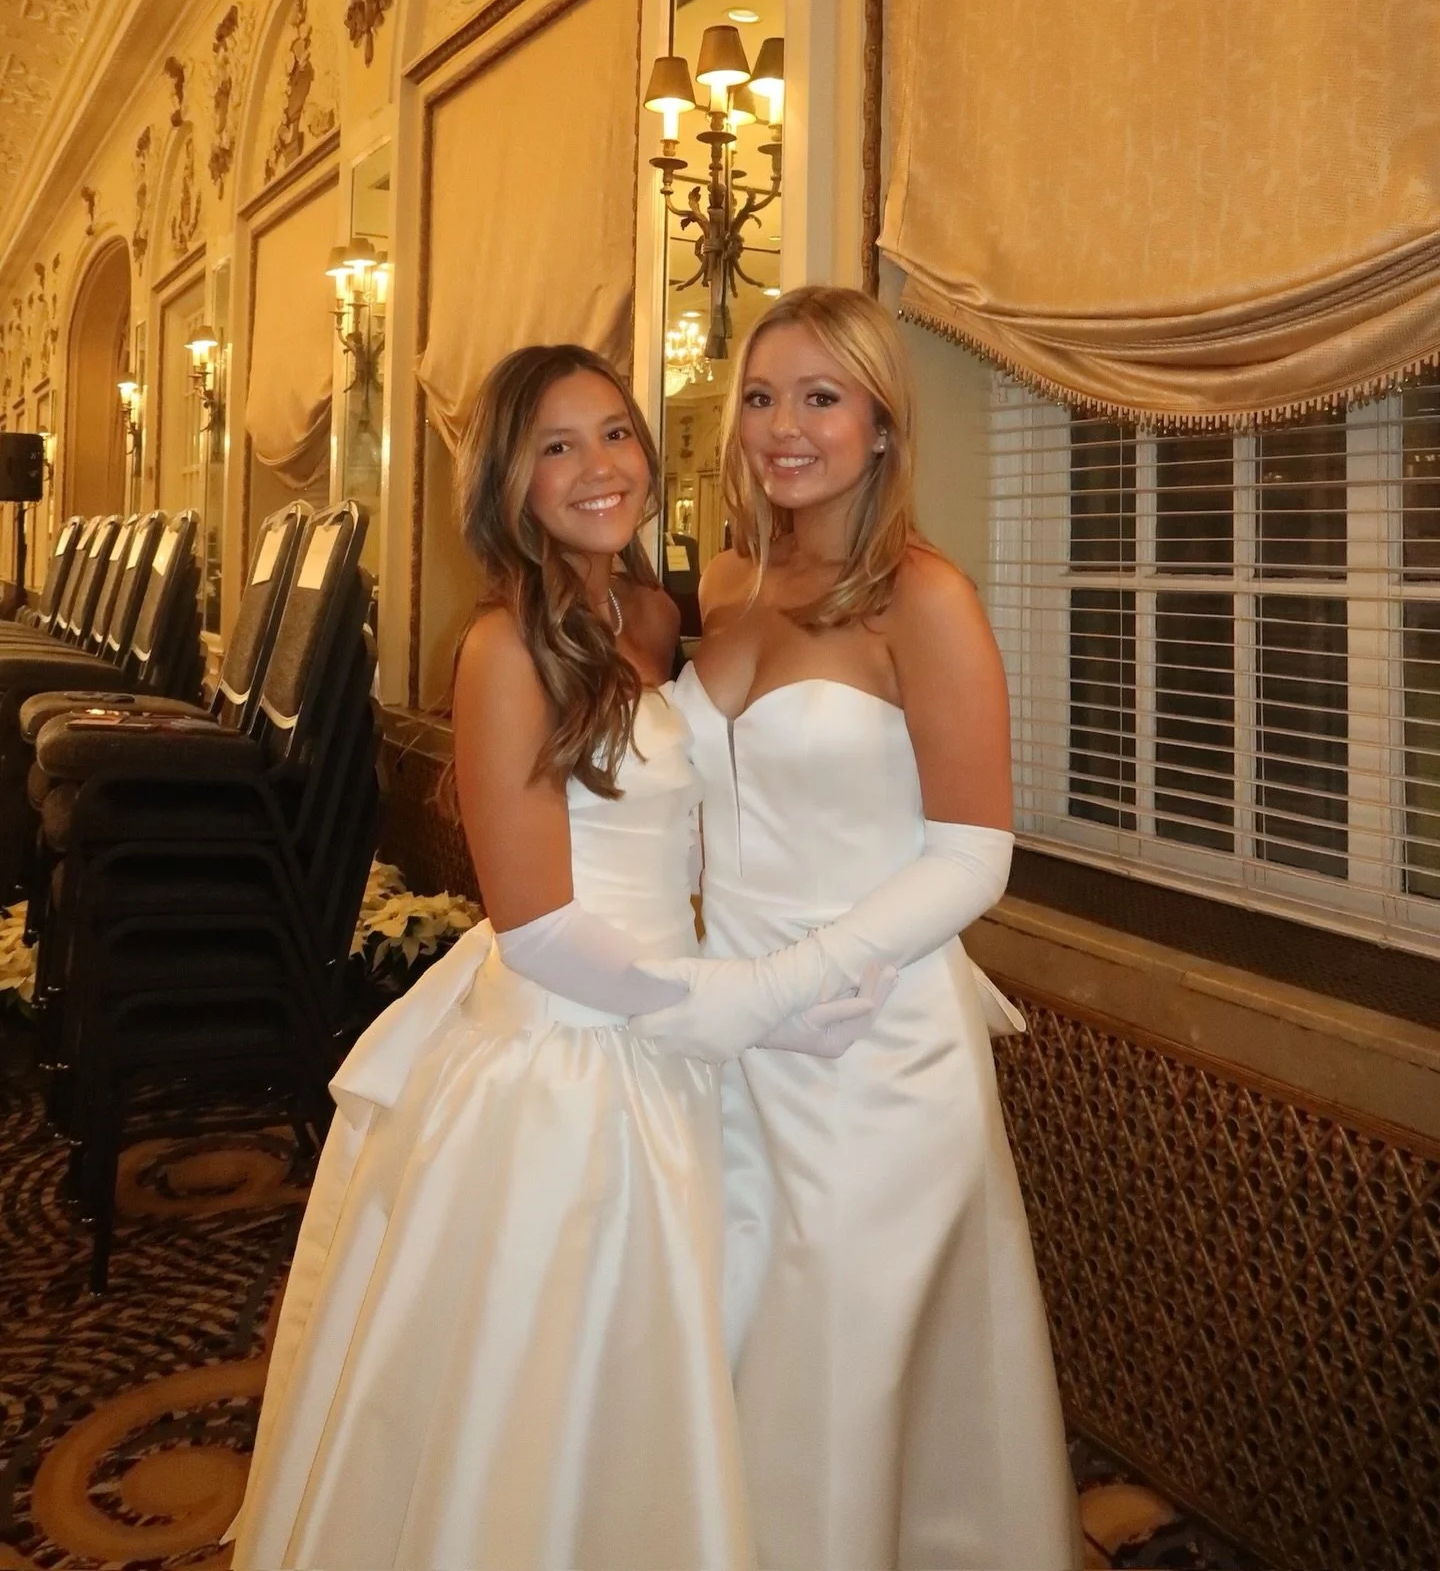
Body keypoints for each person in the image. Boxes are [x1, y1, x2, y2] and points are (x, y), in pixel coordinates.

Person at [232, 344, 781, 1571]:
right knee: (545, 1393)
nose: (601, 466)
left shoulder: (652, 613)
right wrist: (733, 1003)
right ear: (510, 484)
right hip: (575, 1044)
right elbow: (534, 927)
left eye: (618, 433)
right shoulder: (502, 647)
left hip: (675, 1015)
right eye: (556, 446)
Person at [632, 288, 1082, 1571]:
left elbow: (975, 854)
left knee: (841, 1381)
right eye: (763, 396)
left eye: (821, 398)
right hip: (724, 1041)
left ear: (882, 424)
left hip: (869, 1049)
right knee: (737, 1358)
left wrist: (787, 985)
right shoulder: (728, 578)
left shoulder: (921, 597)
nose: (784, 427)